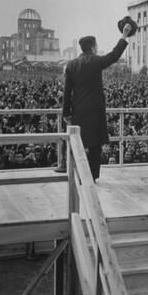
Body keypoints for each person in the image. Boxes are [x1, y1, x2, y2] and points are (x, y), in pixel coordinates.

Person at [62, 24, 131, 182]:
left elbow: (67, 92)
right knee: (94, 146)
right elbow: (114, 55)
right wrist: (124, 35)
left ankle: (74, 174)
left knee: (78, 143)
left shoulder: (71, 65)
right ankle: (92, 177)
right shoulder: (96, 61)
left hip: (78, 111)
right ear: (93, 47)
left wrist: (66, 114)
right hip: (95, 111)